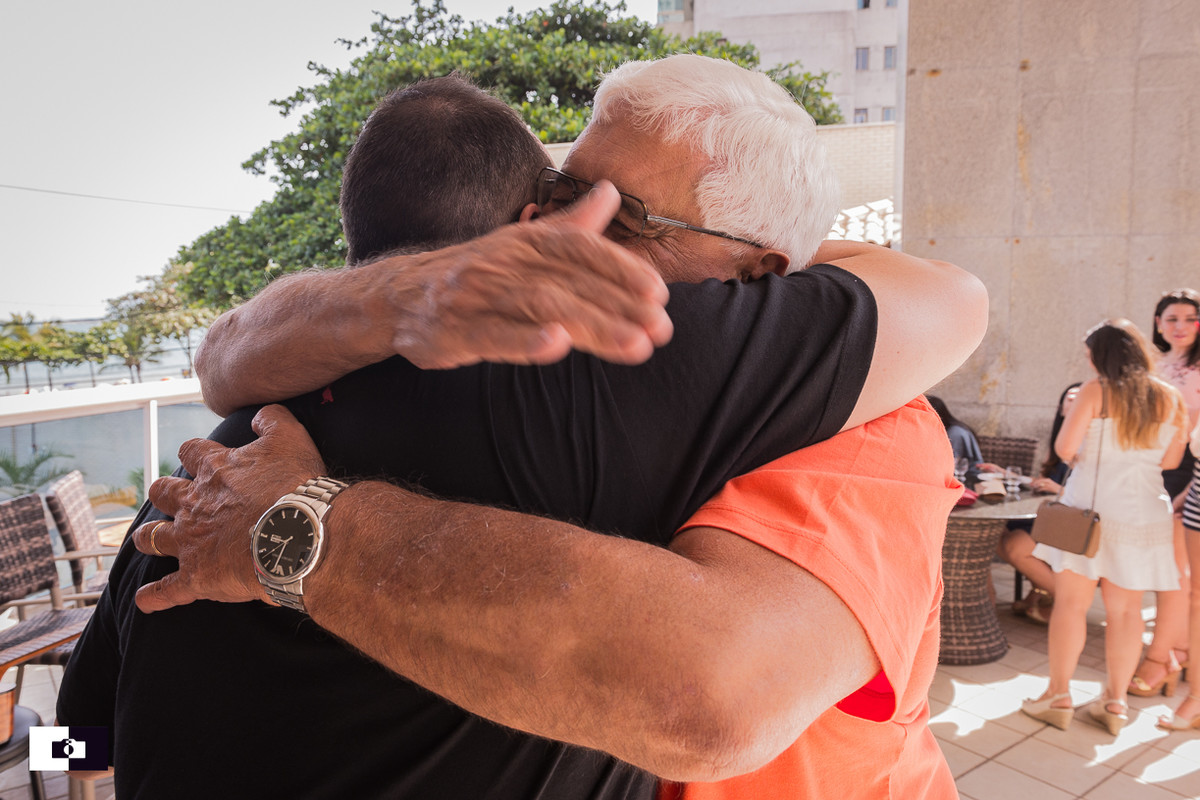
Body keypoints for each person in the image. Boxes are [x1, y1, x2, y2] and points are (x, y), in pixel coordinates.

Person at [60, 60, 984, 799]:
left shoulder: (212, 463)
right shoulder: (616, 388)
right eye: (558, 189)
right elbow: (950, 296)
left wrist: (60, 766)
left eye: (620, 216)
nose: (557, 227)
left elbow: (81, 723)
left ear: (765, 281)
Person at [1021, 319, 1187, 736]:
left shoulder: (1095, 390)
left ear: (1100, 356)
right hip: (1144, 512)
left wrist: (1075, 424)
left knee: (1071, 605)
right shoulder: (1170, 396)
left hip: (1090, 512)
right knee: (1127, 611)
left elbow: (1065, 448)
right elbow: (1170, 462)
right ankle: (1115, 702)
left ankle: (1058, 695)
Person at [1131, 289, 1200, 696]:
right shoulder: (1152, 364)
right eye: (1171, 318)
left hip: (1188, 470)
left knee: (1176, 569)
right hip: (1153, 466)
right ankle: (1179, 649)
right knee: (1167, 567)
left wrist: (1190, 488)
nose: (1180, 326)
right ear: (1158, 323)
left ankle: (1163, 657)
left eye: (1190, 318)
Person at [998, 382, 1081, 623]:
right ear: (1061, 407)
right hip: (1051, 515)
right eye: (1069, 398)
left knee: (1016, 546)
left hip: (1072, 522)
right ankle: (1041, 591)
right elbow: (1042, 482)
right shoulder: (1058, 442)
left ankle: (1069, 605)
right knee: (995, 533)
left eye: (1079, 398)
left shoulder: (1089, 441)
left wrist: (1058, 489)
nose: (1074, 402)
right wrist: (1005, 474)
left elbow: (1089, 493)